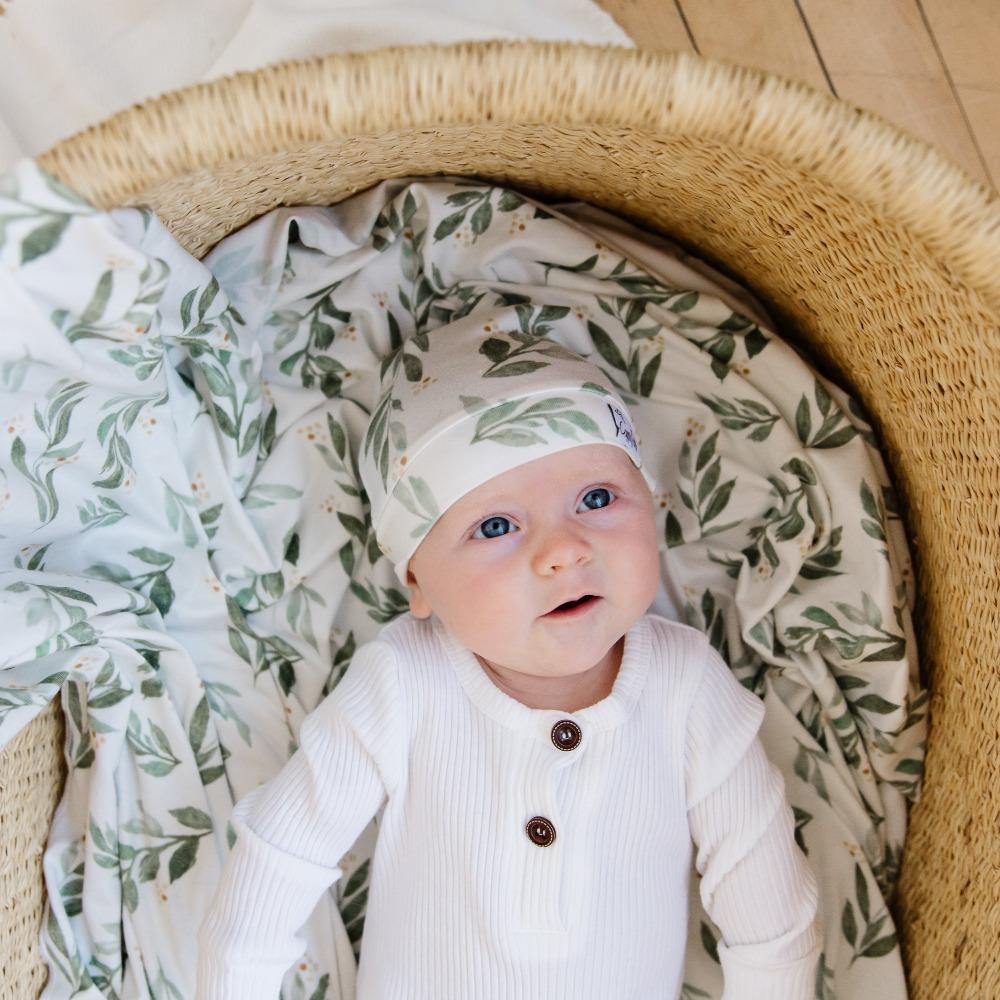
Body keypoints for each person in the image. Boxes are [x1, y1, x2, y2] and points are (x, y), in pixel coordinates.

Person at [197, 322, 823, 999]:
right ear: (418, 582)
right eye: (496, 527)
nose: (564, 550)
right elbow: (279, 859)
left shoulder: (688, 689)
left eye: (596, 498)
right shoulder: (403, 685)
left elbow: (773, 925)